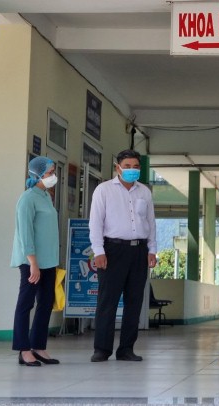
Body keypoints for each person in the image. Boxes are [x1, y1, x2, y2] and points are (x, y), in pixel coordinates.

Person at [89, 149, 157, 362]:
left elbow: (151, 223)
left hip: (139, 251)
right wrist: (98, 251)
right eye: (127, 166)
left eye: (136, 166)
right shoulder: (104, 190)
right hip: (112, 250)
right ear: (117, 167)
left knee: (134, 302)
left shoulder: (144, 192)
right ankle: (102, 349)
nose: (132, 170)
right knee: (107, 301)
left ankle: (126, 349)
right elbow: (95, 223)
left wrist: (152, 250)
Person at [10, 156, 60, 367]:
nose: (52, 176)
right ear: (38, 175)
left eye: (52, 172)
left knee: (46, 303)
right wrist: (32, 262)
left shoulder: (46, 196)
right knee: (26, 303)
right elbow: (25, 233)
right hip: (31, 261)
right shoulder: (28, 198)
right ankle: (23, 349)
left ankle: (38, 346)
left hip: (48, 261)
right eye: (49, 173)